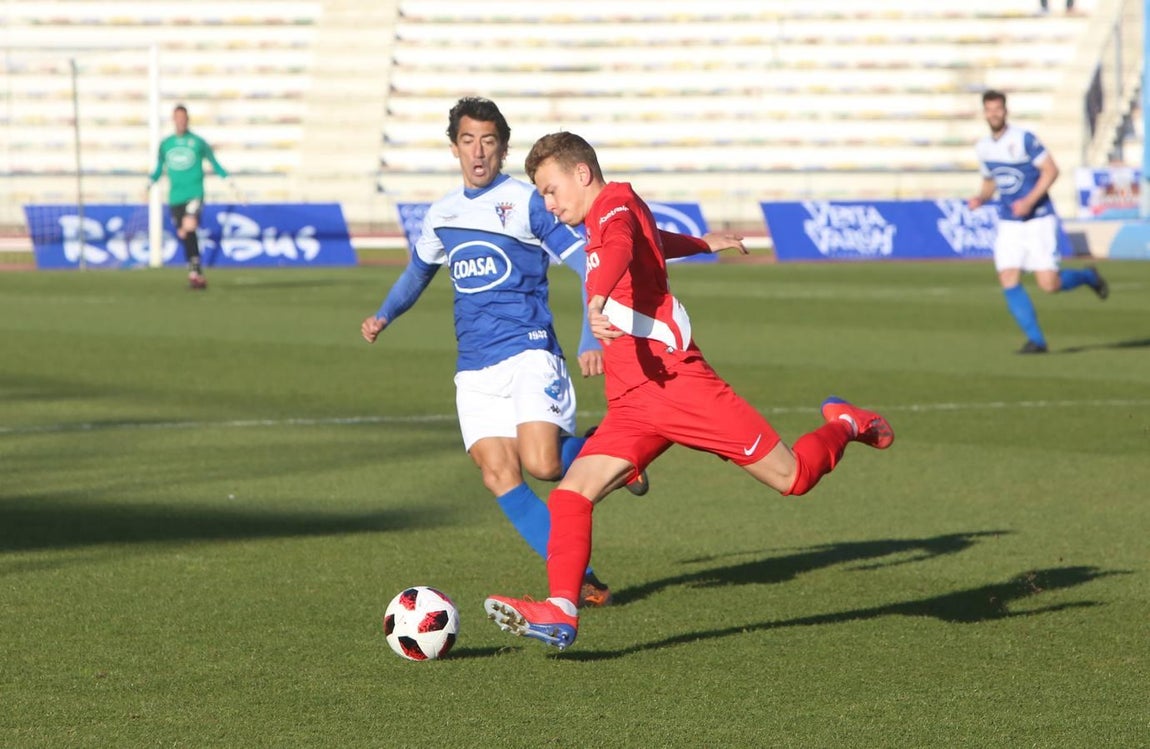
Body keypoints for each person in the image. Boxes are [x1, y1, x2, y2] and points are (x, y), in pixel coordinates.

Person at [483, 132, 895, 650]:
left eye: (550, 188)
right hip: (634, 403)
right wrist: (703, 243)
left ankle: (845, 423)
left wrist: (596, 300)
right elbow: (649, 242)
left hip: (680, 388)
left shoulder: (612, 208)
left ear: (582, 174)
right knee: (570, 496)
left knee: (793, 478)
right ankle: (562, 612)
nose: (547, 201)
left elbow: (619, 251)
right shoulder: (612, 213)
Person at [362, 98, 652, 607]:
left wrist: (590, 336)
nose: (479, 152)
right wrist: (385, 314)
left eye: (489, 141)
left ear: (502, 148)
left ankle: (615, 453)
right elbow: (418, 272)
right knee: (498, 472)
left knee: (542, 464)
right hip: (474, 366)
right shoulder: (443, 214)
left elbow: (590, 263)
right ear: (454, 148)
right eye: (469, 141)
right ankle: (579, 576)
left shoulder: (528, 201)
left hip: (528, 349)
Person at [967, 90, 1108, 354]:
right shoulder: (984, 147)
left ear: (1005, 111)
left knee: (1049, 284)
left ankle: (1088, 276)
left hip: (1037, 219)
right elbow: (990, 182)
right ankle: (1036, 340)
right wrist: (980, 199)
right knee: (1008, 275)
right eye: (989, 109)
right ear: (984, 112)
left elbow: (1051, 170)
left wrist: (1030, 201)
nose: (994, 114)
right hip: (1009, 222)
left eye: (998, 109)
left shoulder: (1023, 139)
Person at [148, 104, 232, 290]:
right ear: (173, 120)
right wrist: (149, 183)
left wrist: (227, 179)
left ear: (187, 119)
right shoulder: (166, 144)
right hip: (175, 196)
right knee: (184, 233)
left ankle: (194, 272)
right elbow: (158, 168)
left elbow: (213, 162)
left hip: (194, 193)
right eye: (177, 118)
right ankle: (196, 273)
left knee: (189, 224)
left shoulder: (197, 142)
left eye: (183, 118)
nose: (180, 121)